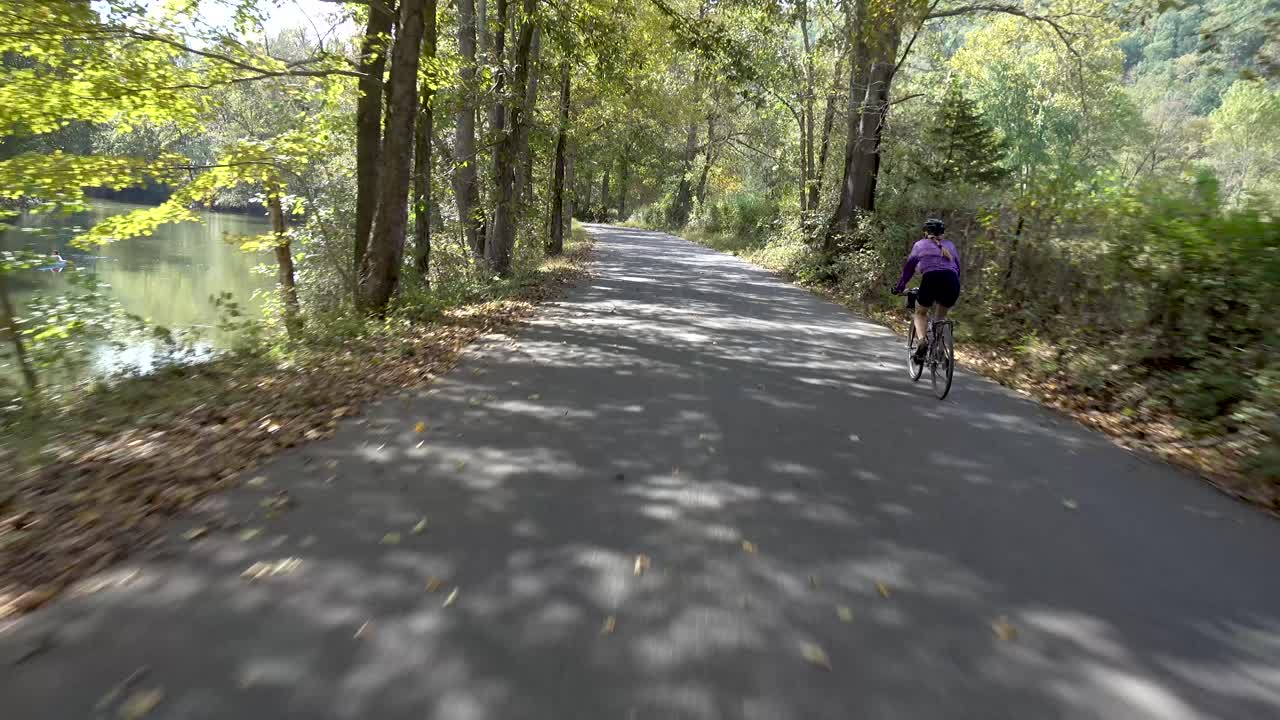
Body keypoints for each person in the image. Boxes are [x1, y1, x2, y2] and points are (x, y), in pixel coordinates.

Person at [892, 218, 961, 363]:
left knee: (920, 312)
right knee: (940, 317)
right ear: (943, 233)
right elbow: (957, 268)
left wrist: (900, 288)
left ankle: (922, 341)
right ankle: (940, 350)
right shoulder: (950, 245)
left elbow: (908, 269)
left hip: (931, 279)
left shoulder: (920, 245)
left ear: (925, 233)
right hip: (953, 281)